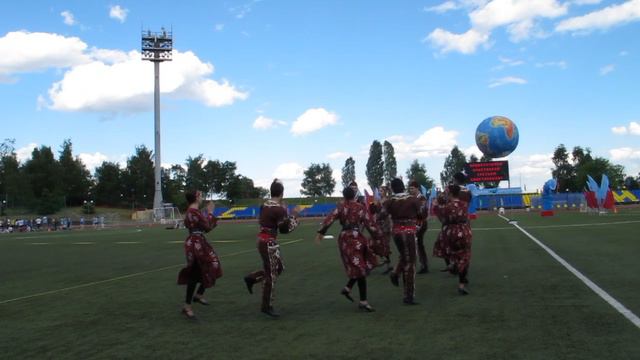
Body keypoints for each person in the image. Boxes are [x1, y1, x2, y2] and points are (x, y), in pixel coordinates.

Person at [315, 186, 380, 312]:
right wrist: (377, 237)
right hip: (358, 238)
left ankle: (348, 288)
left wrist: (321, 233)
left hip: (345, 238)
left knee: (359, 266)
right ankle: (363, 301)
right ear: (355, 195)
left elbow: (330, 219)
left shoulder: (341, 206)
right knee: (360, 267)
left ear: (344, 196)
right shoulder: (360, 207)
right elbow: (370, 224)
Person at [243, 179, 300, 318]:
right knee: (273, 274)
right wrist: (294, 217)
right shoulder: (278, 209)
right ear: (281, 193)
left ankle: (252, 278)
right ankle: (266, 306)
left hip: (262, 240)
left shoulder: (264, 206)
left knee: (278, 268)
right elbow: (284, 229)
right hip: (269, 243)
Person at [177, 191, 222, 319]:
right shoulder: (193, 212)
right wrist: (211, 212)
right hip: (196, 244)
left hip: (198, 242)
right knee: (200, 270)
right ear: (196, 198)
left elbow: (204, 227)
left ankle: (197, 296)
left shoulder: (193, 212)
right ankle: (188, 305)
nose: (202, 198)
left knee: (209, 267)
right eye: (200, 196)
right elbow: (207, 227)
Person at [381, 178, 426, 305]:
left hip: (396, 233)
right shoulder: (412, 199)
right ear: (403, 187)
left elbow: (381, 215)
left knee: (404, 256)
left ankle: (395, 273)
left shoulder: (389, 201)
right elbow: (422, 213)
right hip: (409, 232)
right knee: (411, 262)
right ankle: (408, 296)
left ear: (392, 188)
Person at [434, 184, 473, 295]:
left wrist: (436, 207)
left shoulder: (446, 207)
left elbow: (442, 220)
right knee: (465, 257)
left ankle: (452, 265)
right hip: (464, 231)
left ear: (450, 193)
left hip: (450, 232)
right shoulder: (465, 204)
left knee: (448, 250)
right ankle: (461, 284)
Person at [368, 186, 393, 274]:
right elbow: (372, 211)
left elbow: (384, 213)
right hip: (378, 225)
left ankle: (387, 265)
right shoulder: (378, 201)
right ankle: (378, 262)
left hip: (385, 225)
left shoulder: (387, 201)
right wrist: (372, 204)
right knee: (373, 243)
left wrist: (376, 217)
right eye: (379, 191)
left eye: (381, 191)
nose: (379, 192)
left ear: (385, 192)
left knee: (384, 244)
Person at [408, 180, 429, 274]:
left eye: (412, 188)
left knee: (419, 244)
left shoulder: (421, 198)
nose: (411, 190)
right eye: (410, 188)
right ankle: (423, 264)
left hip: (420, 223)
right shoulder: (413, 198)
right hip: (415, 223)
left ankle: (423, 264)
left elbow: (423, 212)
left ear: (417, 188)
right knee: (418, 244)